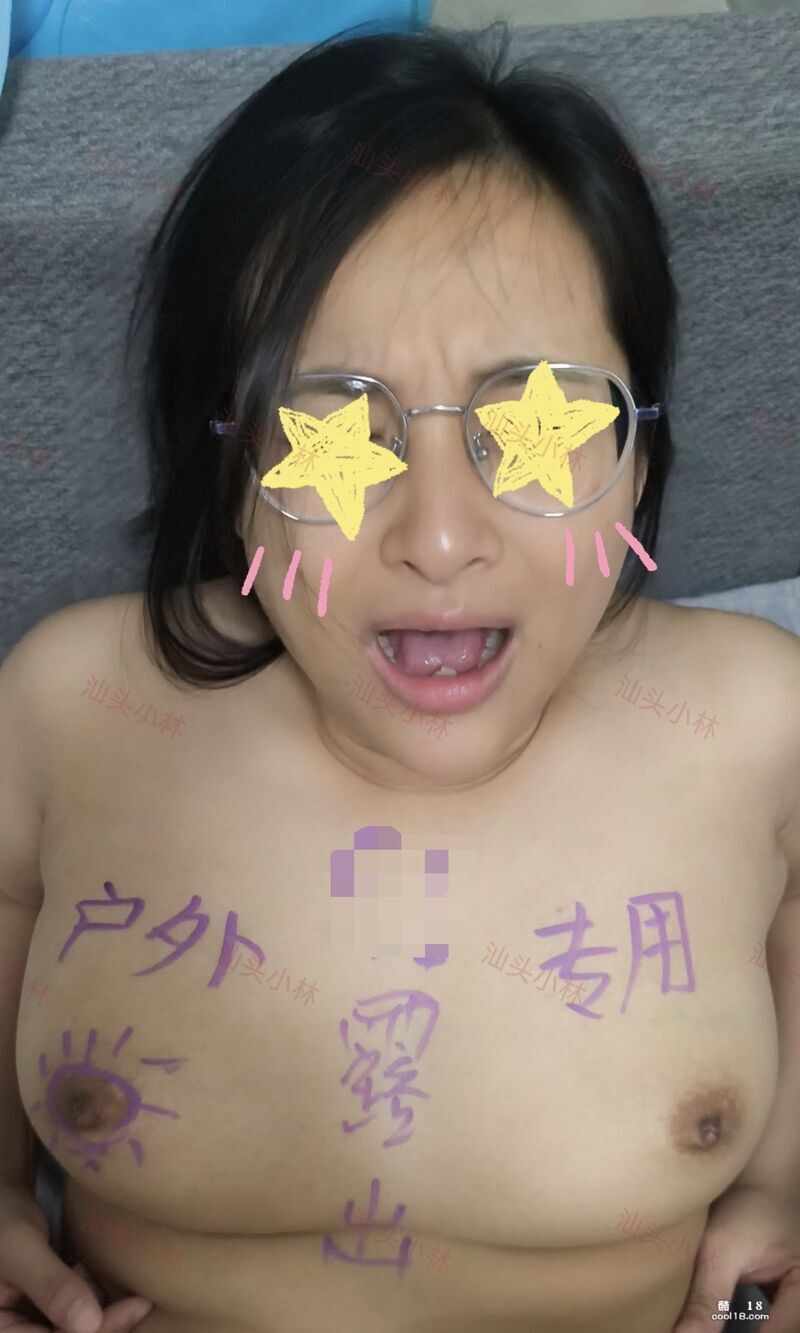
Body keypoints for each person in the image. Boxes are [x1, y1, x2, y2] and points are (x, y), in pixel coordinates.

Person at [1, 22, 799, 1333]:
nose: (437, 538)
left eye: (534, 421)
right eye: (331, 433)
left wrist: (780, 1187)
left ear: (641, 452)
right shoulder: (68, 711)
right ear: (229, 469)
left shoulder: (760, 725)